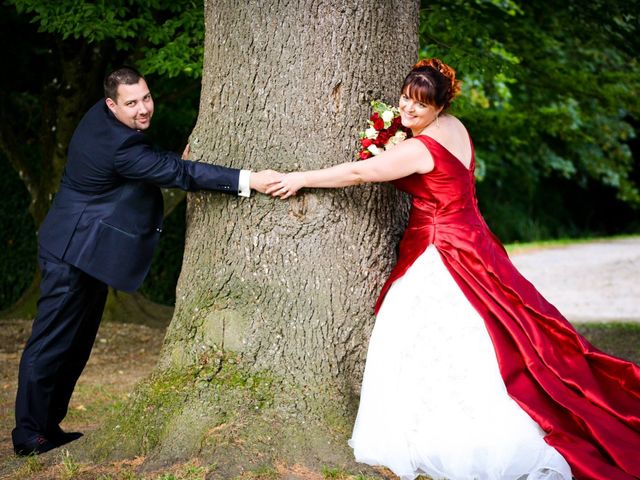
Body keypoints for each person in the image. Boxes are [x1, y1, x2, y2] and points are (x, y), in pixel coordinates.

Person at [267, 59, 640, 480]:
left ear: (439, 107)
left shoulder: (418, 149)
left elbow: (358, 172)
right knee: (499, 329)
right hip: (474, 239)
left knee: (433, 334)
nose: (408, 111)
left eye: (420, 106)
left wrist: (299, 178)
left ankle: (454, 434)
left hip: (440, 249)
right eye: (406, 99)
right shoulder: (456, 128)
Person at [12, 66, 279, 456]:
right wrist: (248, 180)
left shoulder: (101, 119)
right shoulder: (121, 146)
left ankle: (48, 427)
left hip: (87, 251)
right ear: (111, 104)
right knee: (52, 344)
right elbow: (178, 173)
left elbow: (149, 160)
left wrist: (165, 159)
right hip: (70, 252)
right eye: (132, 103)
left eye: (147, 97)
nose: (143, 109)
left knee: (77, 344)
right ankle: (28, 435)